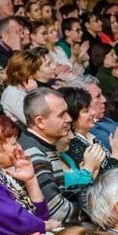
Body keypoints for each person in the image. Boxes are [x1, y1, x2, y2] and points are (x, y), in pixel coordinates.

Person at [18, 88, 82, 225]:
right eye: (61, 115)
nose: (69, 119)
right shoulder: (32, 154)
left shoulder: (43, 147)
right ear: (40, 122)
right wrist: (93, 211)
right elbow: (57, 213)